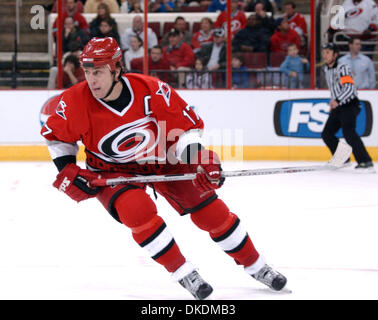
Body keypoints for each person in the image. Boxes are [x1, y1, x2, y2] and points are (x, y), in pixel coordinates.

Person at [40, 37, 287, 300]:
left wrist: (199, 159)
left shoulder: (151, 89)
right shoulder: (75, 101)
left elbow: (184, 130)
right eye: (87, 72)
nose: (91, 80)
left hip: (162, 160)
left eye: (98, 72)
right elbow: (57, 137)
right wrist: (67, 168)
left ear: (116, 68)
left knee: (212, 212)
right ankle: (183, 271)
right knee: (138, 212)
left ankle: (257, 266)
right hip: (111, 171)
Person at [321, 43, 374, 172]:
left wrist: (337, 100)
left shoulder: (342, 67)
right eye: (324, 52)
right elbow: (334, 89)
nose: (325, 55)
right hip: (338, 106)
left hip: (349, 105)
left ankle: (365, 161)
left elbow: (349, 88)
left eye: (328, 52)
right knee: (327, 134)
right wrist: (333, 102)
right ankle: (342, 159)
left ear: (335, 55)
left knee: (349, 132)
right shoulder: (326, 69)